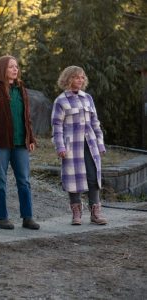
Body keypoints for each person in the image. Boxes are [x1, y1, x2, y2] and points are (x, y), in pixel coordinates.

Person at [0, 55, 40, 230]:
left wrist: (31, 138)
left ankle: (27, 217)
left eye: (16, 67)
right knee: (0, 180)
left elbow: (26, 117)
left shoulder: (22, 90)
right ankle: (2, 218)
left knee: (24, 181)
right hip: (0, 144)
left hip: (21, 143)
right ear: (2, 70)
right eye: (11, 67)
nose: (15, 69)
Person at [51, 66, 108, 226]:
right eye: (77, 77)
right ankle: (76, 213)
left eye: (82, 77)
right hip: (72, 146)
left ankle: (95, 212)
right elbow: (57, 126)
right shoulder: (61, 101)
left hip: (90, 144)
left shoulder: (87, 98)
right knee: (73, 177)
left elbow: (95, 122)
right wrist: (60, 146)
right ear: (68, 79)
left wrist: (100, 143)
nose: (80, 80)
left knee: (93, 176)